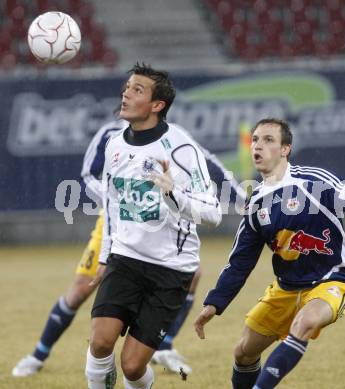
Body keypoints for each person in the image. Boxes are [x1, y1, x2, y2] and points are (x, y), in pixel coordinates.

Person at [194, 118, 345, 389]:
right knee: (244, 352)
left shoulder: (314, 182)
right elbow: (240, 262)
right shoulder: (256, 203)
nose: (258, 146)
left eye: (269, 140)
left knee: (305, 323)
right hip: (285, 289)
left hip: (332, 281)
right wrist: (214, 303)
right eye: (256, 140)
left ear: (286, 149)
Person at [12, 104, 245, 378]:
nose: (128, 98)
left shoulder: (172, 138)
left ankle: (163, 346)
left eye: (137, 91)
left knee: (193, 274)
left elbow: (208, 160)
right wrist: (117, 200)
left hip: (160, 227)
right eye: (129, 90)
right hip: (116, 226)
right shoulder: (110, 136)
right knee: (80, 290)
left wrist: (242, 196)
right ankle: (38, 354)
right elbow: (88, 175)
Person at [84, 62, 224, 389]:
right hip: (125, 259)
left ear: (157, 105)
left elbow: (213, 213)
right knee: (101, 342)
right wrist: (106, 257)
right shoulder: (115, 144)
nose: (125, 93)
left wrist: (173, 193)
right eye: (126, 87)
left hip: (171, 269)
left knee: (132, 367)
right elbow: (112, 206)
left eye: (137, 89)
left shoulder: (182, 149)